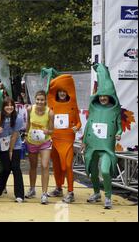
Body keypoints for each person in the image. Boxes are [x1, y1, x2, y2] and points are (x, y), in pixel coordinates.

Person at [82, 63, 122, 209]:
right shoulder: (94, 108)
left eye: (106, 96)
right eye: (101, 96)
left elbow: (119, 127)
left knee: (105, 170)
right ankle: (96, 193)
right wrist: (84, 141)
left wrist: (118, 134)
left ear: (110, 97)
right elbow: (88, 125)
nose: (103, 98)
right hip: (92, 146)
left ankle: (108, 197)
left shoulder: (114, 110)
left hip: (106, 147)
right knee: (92, 170)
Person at [44, 71, 81, 204]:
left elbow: (78, 122)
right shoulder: (52, 105)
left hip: (67, 140)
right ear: (57, 92)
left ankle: (70, 192)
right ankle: (59, 188)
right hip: (54, 140)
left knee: (67, 166)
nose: (62, 93)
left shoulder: (72, 106)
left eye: (64, 91)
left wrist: (77, 127)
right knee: (57, 166)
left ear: (67, 92)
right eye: (60, 91)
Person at [0, 97, 25, 202]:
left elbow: (15, 136)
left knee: (15, 167)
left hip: (15, 145)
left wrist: (11, 150)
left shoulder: (18, 118)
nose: (9, 107)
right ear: (3, 106)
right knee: (6, 168)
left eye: (11, 105)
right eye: (7, 105)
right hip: (1, 145)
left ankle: (19, 195)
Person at [25, 90, 54, 204]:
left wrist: (48, 131)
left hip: (45, 142)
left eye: (42, 100)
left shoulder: (50, 113)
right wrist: (26, 135)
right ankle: (32, 189)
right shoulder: (30, 109)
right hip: (32, 141)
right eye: (38, 99)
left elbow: (52, 130)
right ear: (35, 99)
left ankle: (44, 193)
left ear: (45, 100)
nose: (40, 102)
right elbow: (28, 123)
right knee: (33, 166)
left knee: (45, 165)